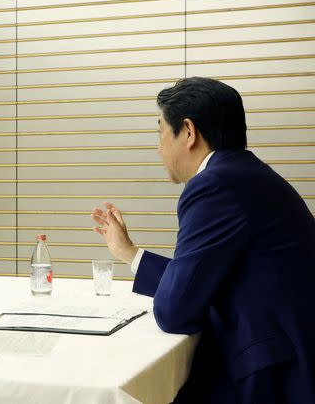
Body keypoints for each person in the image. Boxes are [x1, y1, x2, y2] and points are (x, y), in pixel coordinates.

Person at [90, 77, 315, 403]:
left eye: (160, 133)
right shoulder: (246, 174)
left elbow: (175, 312)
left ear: (189, 132)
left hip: (271, 375)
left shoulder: (215, 185)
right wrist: (129, 252)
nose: (158, 147)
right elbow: (199, 281)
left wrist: (183, 297)